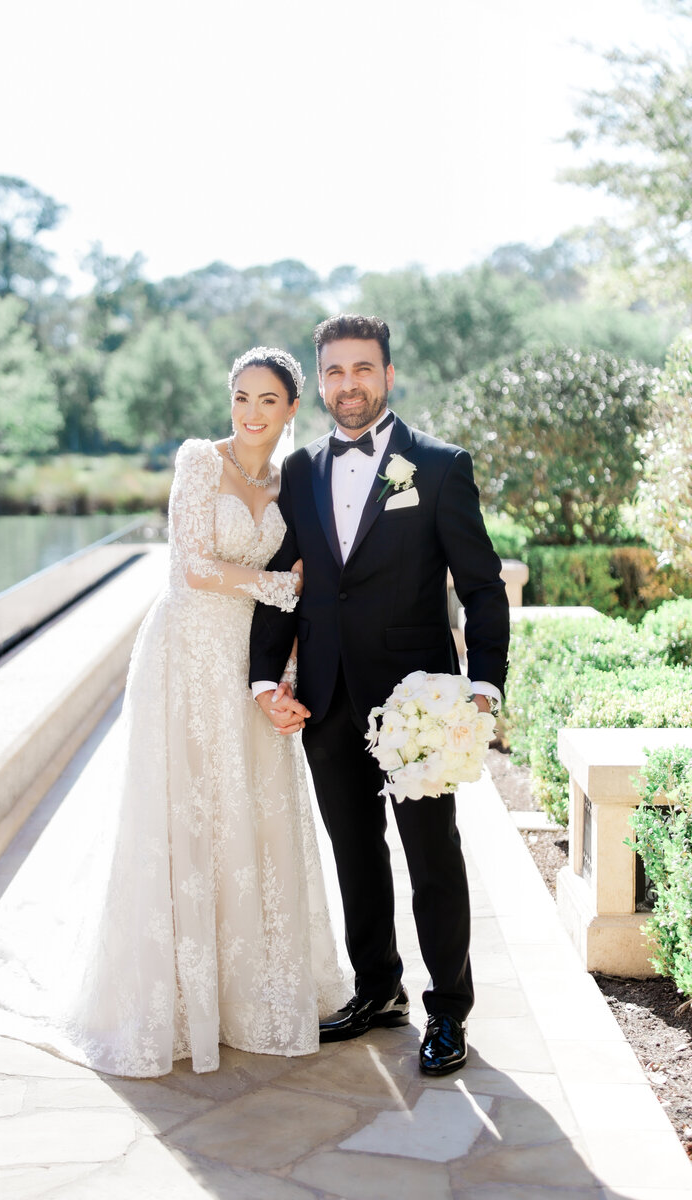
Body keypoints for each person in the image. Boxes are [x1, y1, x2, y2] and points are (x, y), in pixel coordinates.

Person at [0, 347, 345, 1078]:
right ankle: (174, 999)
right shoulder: (198, 461)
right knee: (181, 809)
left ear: (290, 409)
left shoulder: (294, 481)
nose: (250, 414)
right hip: (184, 654)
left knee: (246, 808)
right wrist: (279, 584)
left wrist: (280, 663)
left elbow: (305, 584)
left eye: (267, 401)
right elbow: (189, 566)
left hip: (244, 662)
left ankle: (246, 990)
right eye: (241, 397)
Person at [249, 315, 509, 1076]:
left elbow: (483, 587)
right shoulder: (298, 472)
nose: (348, 384)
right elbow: (280, 583)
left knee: (433, 858)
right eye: (334, 371)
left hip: (415, 705)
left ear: (387, 376)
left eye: (362, 369)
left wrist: (483, 686)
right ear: (320, 382)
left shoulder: (438, 465)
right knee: (354, 853)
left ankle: (449, 1013)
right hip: (326, 698)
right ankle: (377, 990)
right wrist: (268, 678)